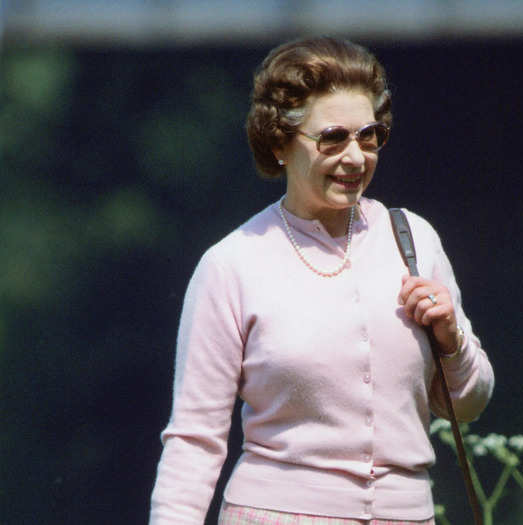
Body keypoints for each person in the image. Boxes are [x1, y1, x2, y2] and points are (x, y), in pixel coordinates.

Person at [149, 36, 494, 525]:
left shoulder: (413, 240)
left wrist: (451, 340)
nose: (355, 157)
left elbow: (468, 405)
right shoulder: (232, 264)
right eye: (333, 138)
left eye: (369, 136)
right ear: (279, 143)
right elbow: (194, 439)